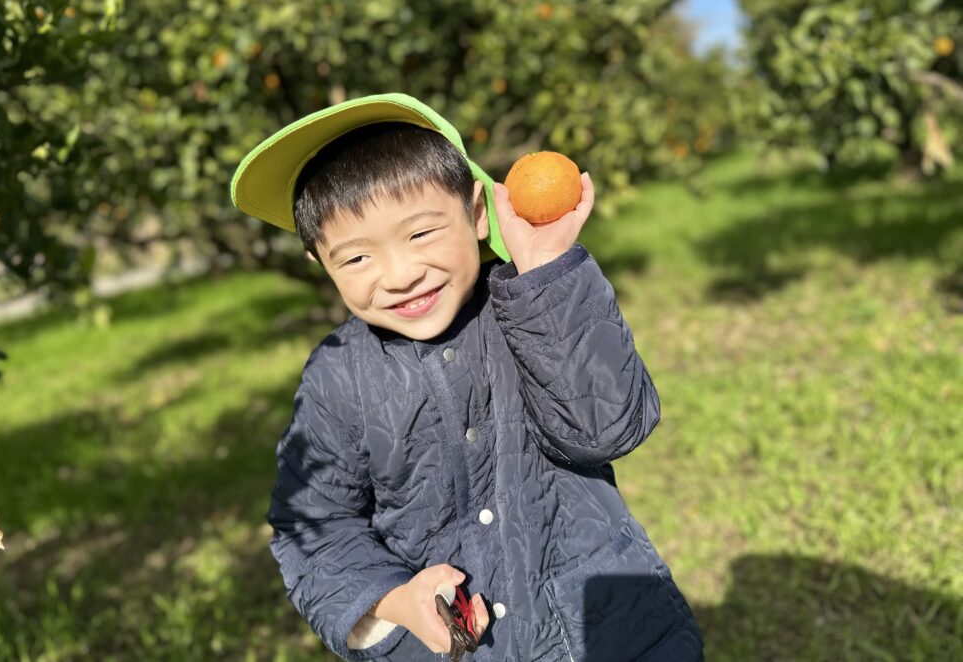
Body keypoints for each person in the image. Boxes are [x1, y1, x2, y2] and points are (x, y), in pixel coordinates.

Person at [230, 93, 704, 661]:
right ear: (321, 262)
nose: (400, 275)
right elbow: (313, 522)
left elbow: (607, 428)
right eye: (356, 258)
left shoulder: (529, 305)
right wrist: (393, 601)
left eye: (420, 234)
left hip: (612, 636)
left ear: (477, 213)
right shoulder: (337, 377)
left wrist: (547, 274)